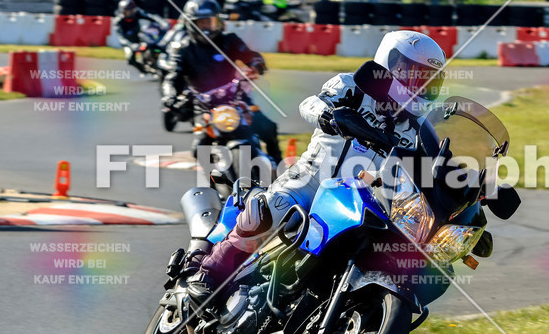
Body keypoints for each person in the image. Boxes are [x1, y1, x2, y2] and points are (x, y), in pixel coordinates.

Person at [185, 29, 447, 311]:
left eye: (427, 80)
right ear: (389, 63)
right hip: (310, 179)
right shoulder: (354, 87)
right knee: (270, 209)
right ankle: (209, 273)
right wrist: (331, 117)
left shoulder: (418, 128)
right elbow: (311, 103)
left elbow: (441, 165)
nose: (419, 86)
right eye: (413, 74)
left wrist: (482, 192)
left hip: (356, 198)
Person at [161, 0, 282, 162]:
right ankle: (213, 183)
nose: (208, 28)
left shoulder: (229, 41)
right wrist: (169, 96)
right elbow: (172, 76)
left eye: (211, 22)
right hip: (204, 106)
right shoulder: (182, 49)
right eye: (202, 23)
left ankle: (279, 168)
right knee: (199, 149)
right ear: (191, 24)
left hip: (236, 99)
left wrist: (255, 65)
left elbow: (251, 56)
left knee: (268, 128)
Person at [113, 0, 169, 75]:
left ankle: (155, 62)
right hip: (128, 42)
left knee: (152, 44)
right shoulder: (118, 21)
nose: (130, 13)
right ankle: (143, 70)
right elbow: (121, 37)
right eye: (128, 11)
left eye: (132, 10)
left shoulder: (137, 13)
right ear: (122, 11)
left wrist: (162, 22)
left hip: (138, 36)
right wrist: (131, 45)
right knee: (130, 57)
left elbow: (150, 17)